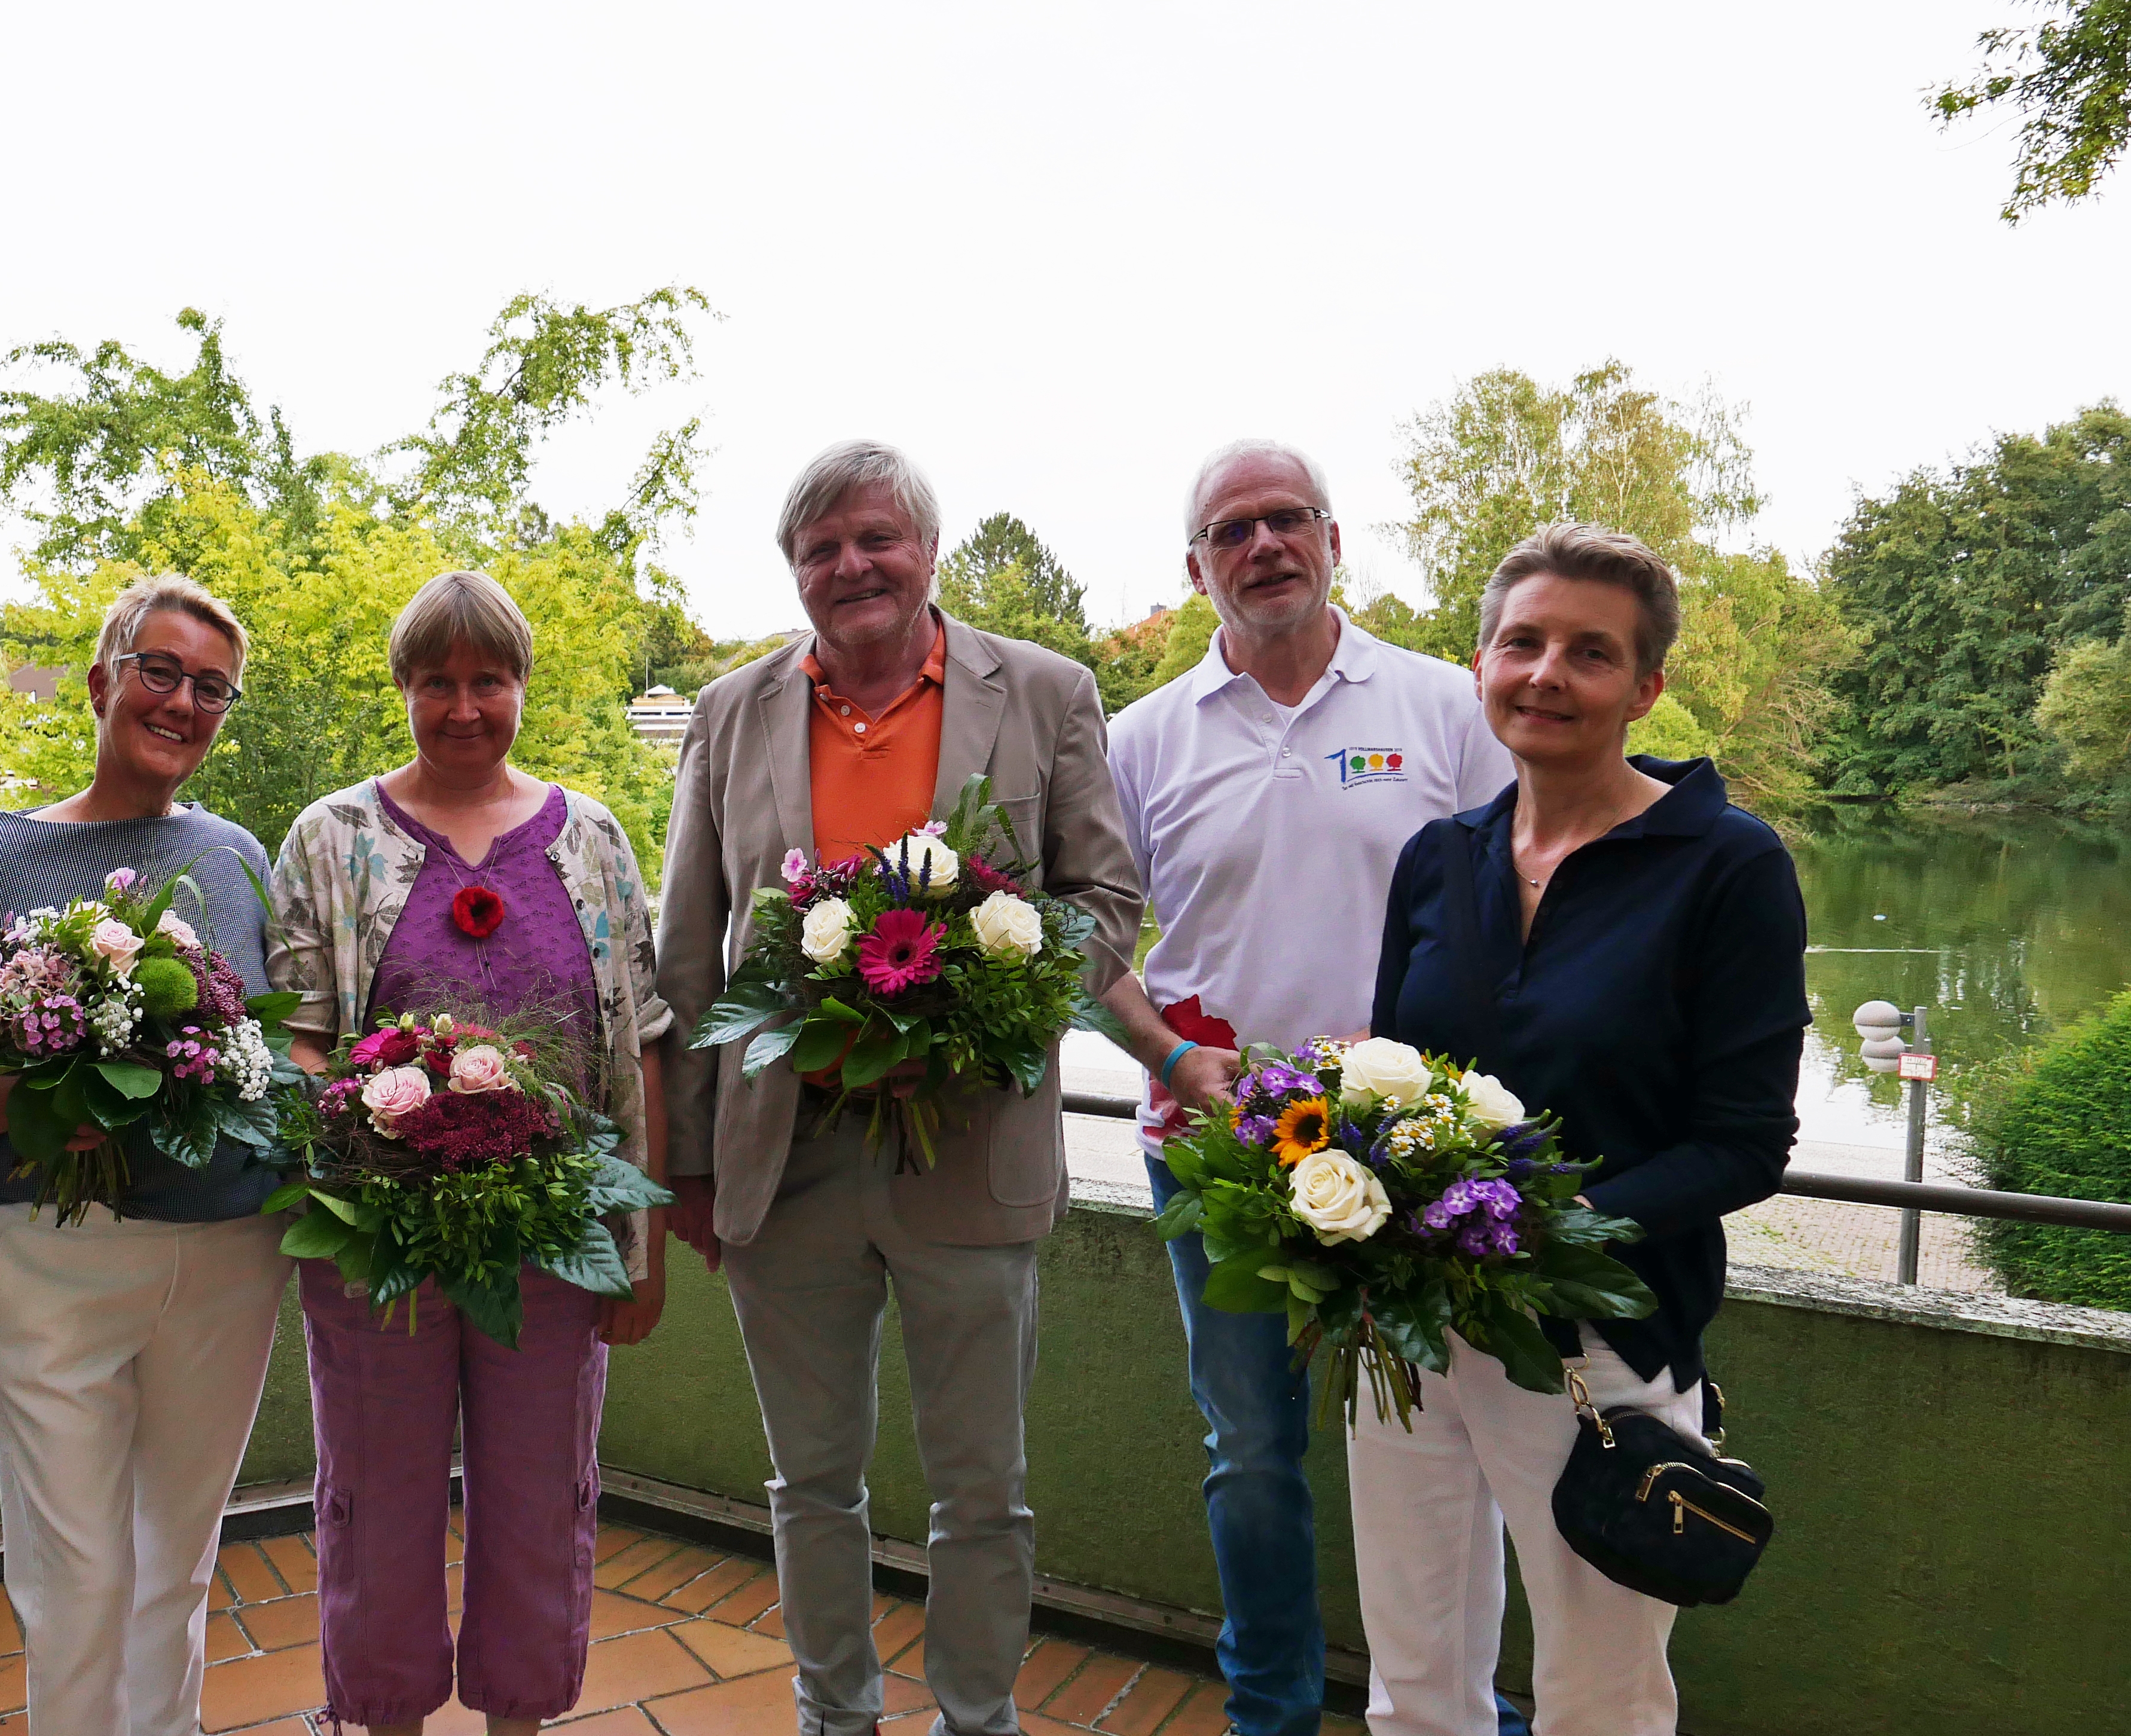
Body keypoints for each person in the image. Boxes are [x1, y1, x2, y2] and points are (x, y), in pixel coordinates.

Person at [656, 441, 1144, 1736]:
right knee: (808, 1481)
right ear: (793, 572)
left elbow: (1105, 903)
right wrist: (689, 1163)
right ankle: (835, 1713)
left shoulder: (1044, 692)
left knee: (982, 1491)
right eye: (819, 548)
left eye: (876, 538)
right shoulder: (729, 710)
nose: (851, 565)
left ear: (927, 549)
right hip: (785, 1156)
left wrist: (981, 1012)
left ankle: (976, 1718)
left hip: (970, 1150)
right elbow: (687, 949)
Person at [1358, 524, 1806, 1734]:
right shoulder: (1436, 858)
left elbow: (1745, 1143)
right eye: (1523, 643)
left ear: (1644, 687)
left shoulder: (1727, 867)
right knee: (1411, 1676)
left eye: (1590, 653)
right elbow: (1392, 1086)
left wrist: (1540, 1229)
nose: (1547, 674)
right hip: (1412, 1333)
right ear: (1480, 666)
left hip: (1601, 1344)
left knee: (1600, 1696)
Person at [1100, 441, 1519, 1736]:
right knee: (1250, 1451)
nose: (1263, 545)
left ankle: (1454, 1711)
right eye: (1231, 531)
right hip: (1217, 1151)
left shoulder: (1445, 706)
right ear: (1194, 569)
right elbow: (1083, 945)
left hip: (1417, 1155)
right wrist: (1171, 1060)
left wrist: (1441, 1082)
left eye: (1287, 519)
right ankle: (1269, 1710)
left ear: (1334, 540)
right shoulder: (1141, 739)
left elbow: (1523, 910)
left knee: (1447, 1448)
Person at [267, 569, 673, 1736]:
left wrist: (641, 1248)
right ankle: (385, 1716)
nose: (461, 707)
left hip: (553, 1243)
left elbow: (639, 1046)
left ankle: (519, 1719)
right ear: (402, 687)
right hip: (375, 1251)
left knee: (541, 1505)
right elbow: (295, 1040)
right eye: (435, 681)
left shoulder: (592, 839)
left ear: (521, 685)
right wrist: (383, 1128)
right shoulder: (331, 838)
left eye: (487, 679)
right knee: (375, 1504)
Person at [0, 575, 291, 1736]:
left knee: (177, 1564)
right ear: (99, 682)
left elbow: (281, 1049)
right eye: (158, 671)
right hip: (49, 1258)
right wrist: (40, 1097)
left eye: (210, 688)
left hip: (226, 1254)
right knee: (76, 1577)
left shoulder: (238, 858)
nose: (181, 702)